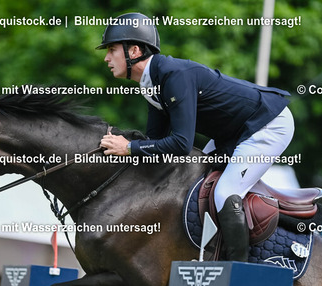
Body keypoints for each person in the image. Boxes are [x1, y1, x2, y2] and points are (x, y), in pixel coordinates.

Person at [97, 13, 294, 261]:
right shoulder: (151, 83)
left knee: (225, 193)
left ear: (134, 51)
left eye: (112, 50)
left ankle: (240, 270)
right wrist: (127, 150)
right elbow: (154, 143)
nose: (106, 58)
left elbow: (181, 144)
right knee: (192, 182)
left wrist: (129, 148)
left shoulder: (174, 76)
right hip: (232, 134)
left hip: (268, 124)